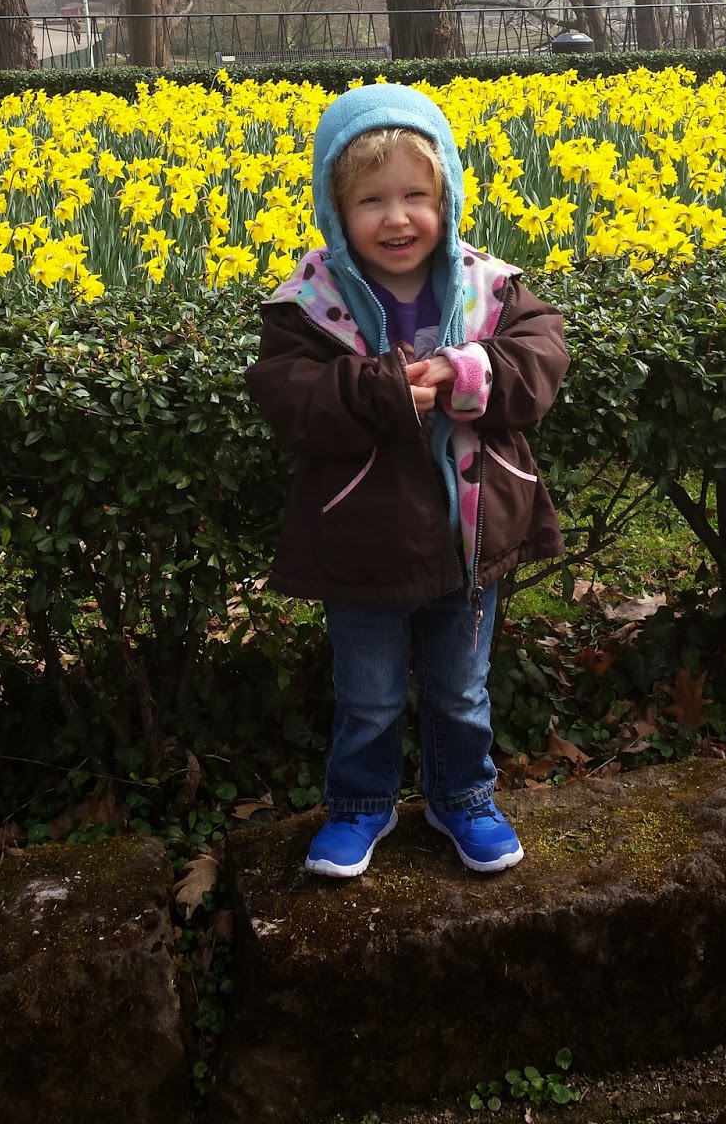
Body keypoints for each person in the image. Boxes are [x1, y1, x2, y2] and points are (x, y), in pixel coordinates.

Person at [245, 84, 569, 880]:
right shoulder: (309, 302)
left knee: (462, 689)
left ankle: (465, 797)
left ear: (447, 196)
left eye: (416, 196)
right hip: (364, 543)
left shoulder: (491, 287)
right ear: (335, 208)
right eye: (371, 200)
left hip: (469, 537)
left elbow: (542, 361)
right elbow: (290, 398)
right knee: (368, 695)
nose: (397, 219)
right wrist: (382, 391)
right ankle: (361, 805)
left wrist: (471, 371)